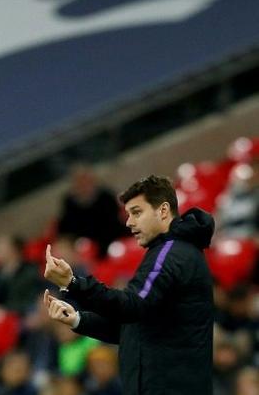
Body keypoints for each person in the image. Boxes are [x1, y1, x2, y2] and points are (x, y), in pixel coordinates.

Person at [43, 174, 215, 395]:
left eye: (136, 212)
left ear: (163, 211)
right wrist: (77, 318)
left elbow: (132, 305)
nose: (129, 222)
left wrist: (73, 283)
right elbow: (135, 328)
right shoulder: (170, 252)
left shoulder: (169, 254)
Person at [57, 164, 128, 258]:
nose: (84, 184)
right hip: (86, 244)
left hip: (112, 236)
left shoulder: (105, 196)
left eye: (86, 180)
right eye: (80, 182)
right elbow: (66, 228)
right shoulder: (70, 203)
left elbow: (116, 217)